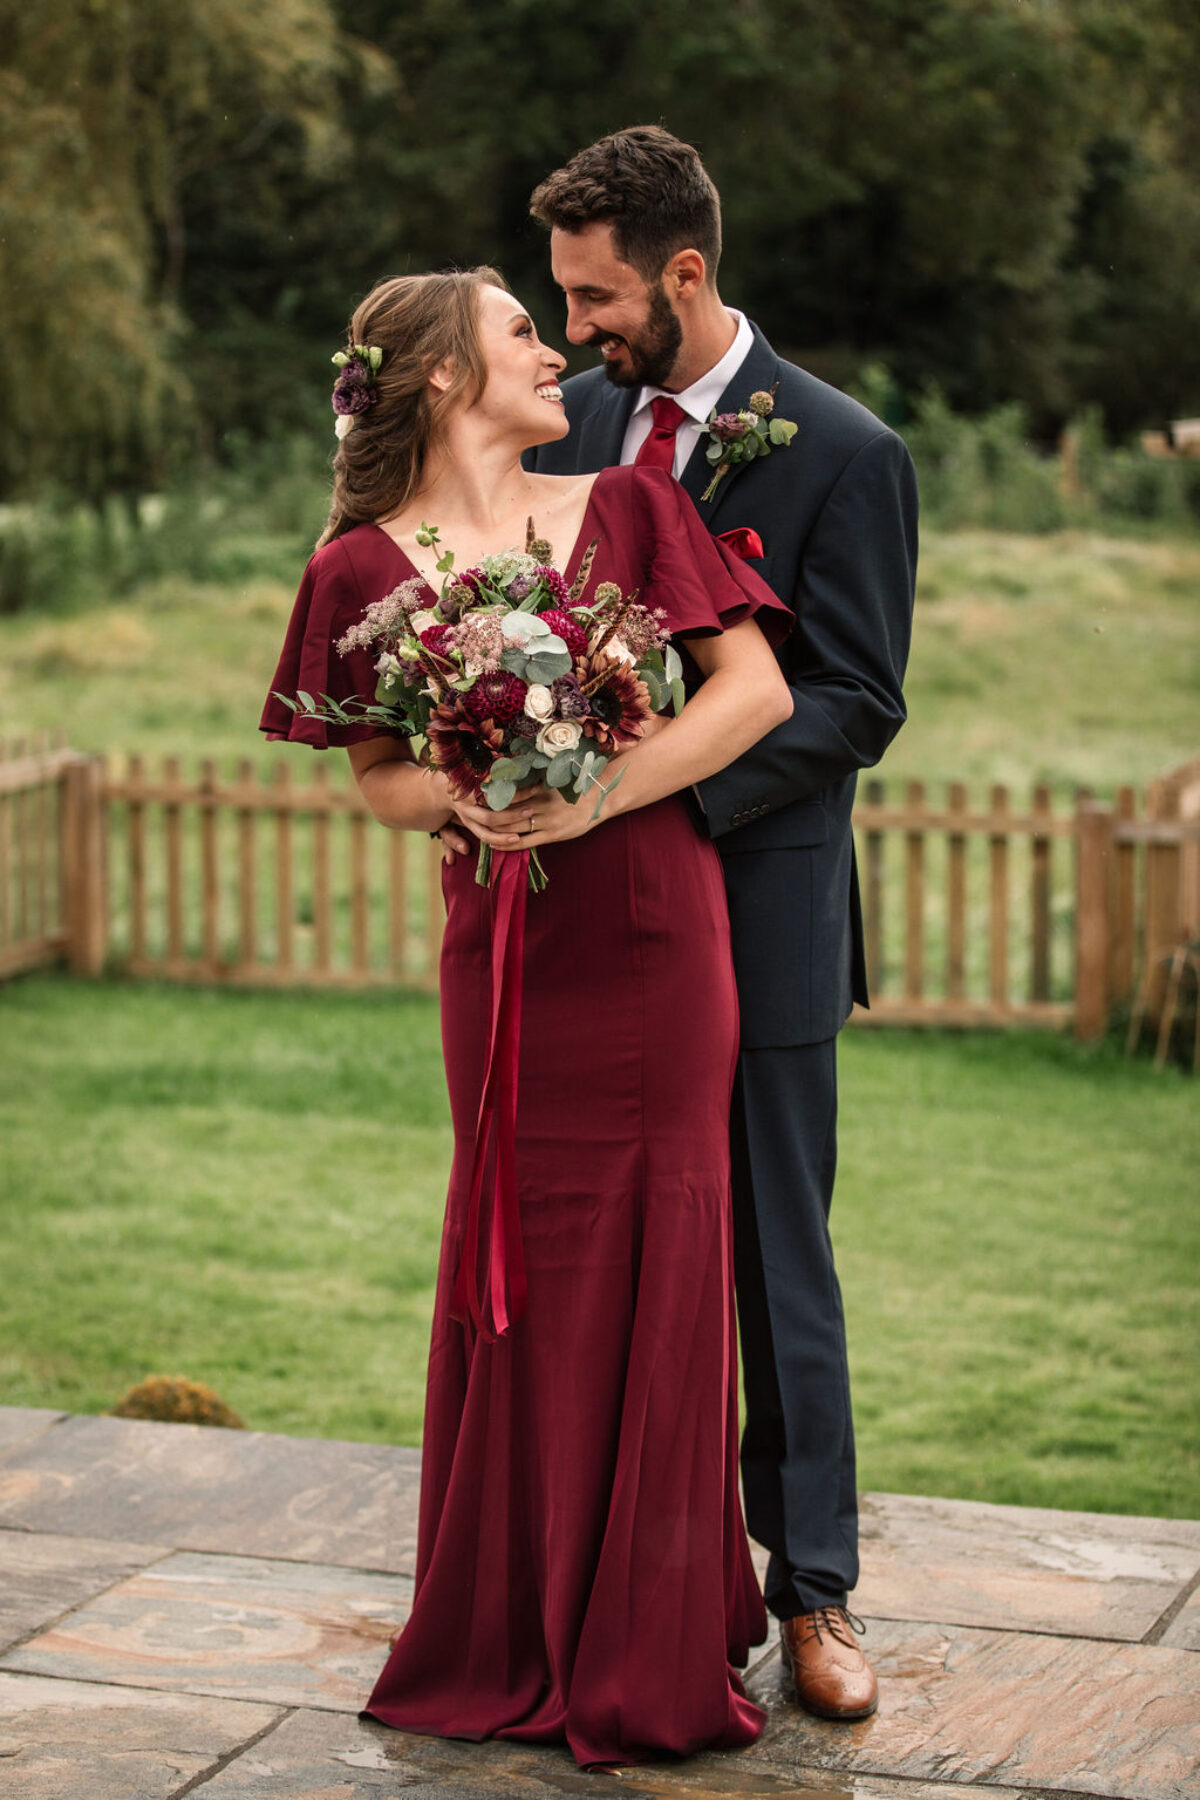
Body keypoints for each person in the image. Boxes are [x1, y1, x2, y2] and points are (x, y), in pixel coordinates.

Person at [259, 267, 795, 1767]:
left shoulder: (627, 508)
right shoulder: (356, 569)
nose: (554, 347)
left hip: (656, 932)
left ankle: (653, 1628)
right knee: (524, 1239)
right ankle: (514, 1617)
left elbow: (751, 693)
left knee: (667, 1236)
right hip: (504, 951)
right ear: (439, 375)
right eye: (517, 329)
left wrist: (594, 791)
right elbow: (374, 777)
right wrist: (475, 796)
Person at [507, 126, 918, 1722]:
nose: (581, 329)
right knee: (613, 1255)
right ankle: (639, 1586)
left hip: (761, 912)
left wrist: (663, 787)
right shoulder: (582, 424)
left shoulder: (845, 448)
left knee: (773, 1259)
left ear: (688, 269)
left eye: (600, 296)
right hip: (600, 925)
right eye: (565, 298)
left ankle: (813, 1596)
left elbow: (858, 700)